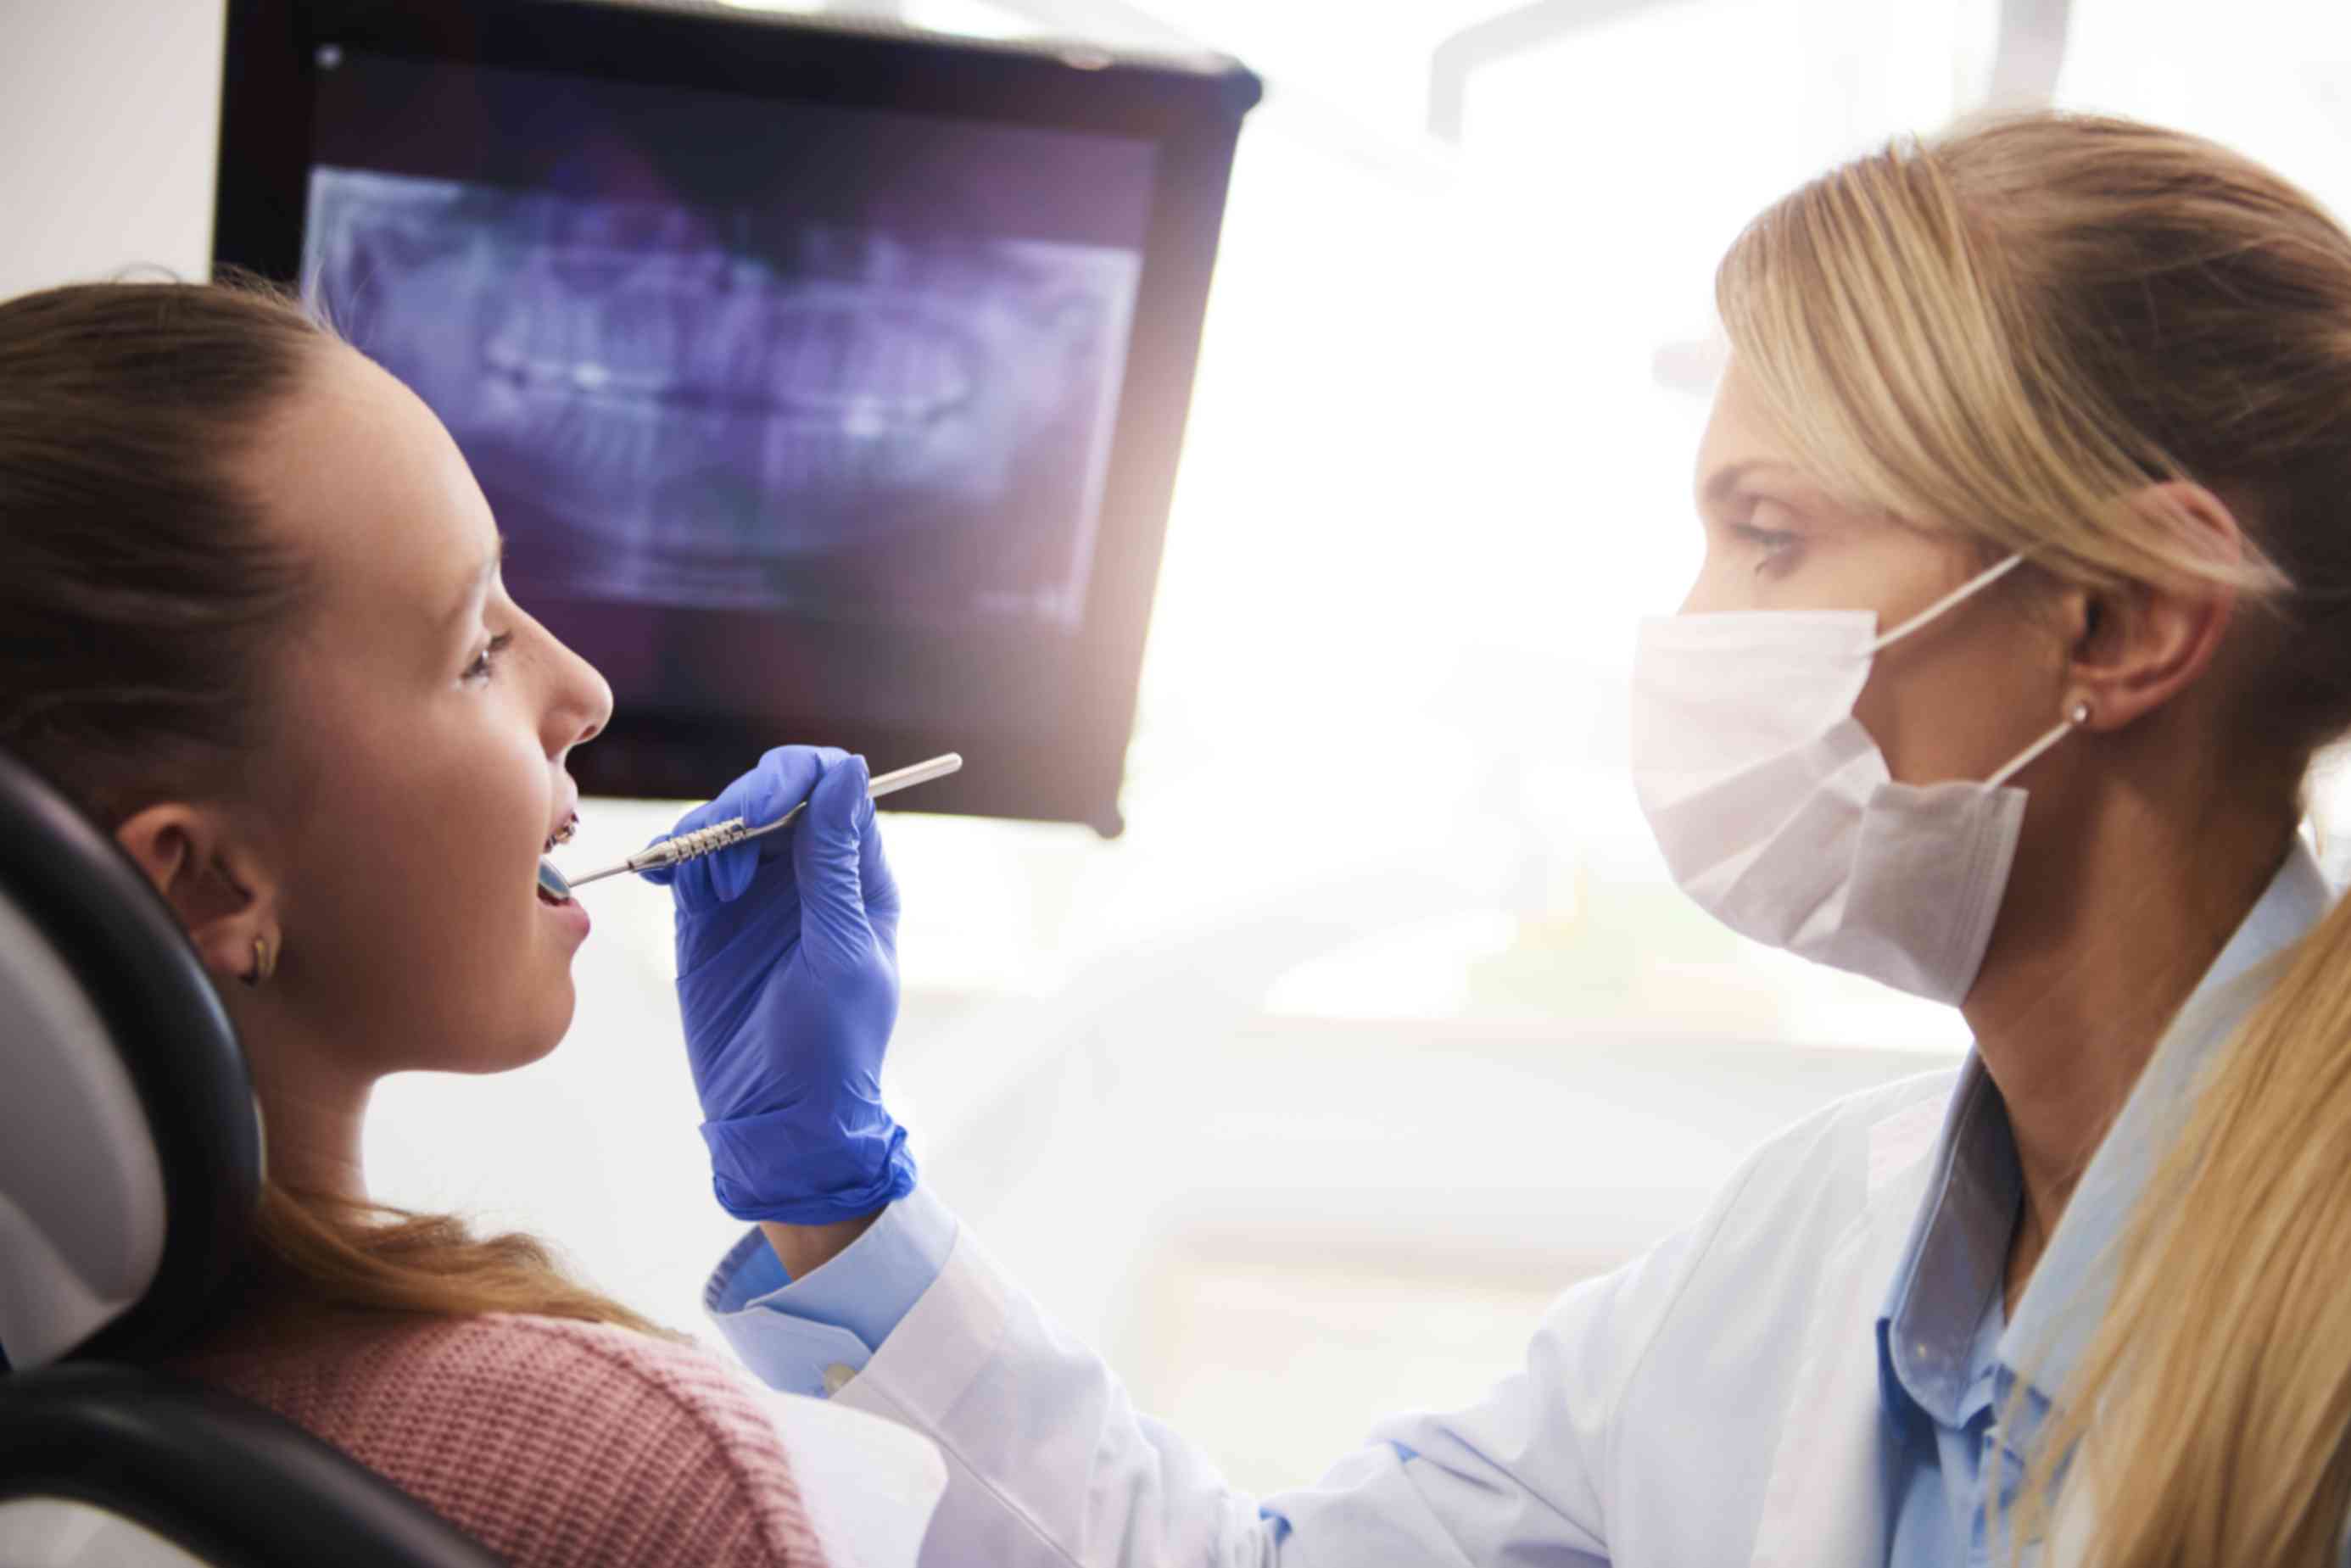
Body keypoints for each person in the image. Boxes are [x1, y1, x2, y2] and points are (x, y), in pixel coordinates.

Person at [683, 108, 2351, 1564]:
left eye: (1770, 536)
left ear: (2123, 618)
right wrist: (842, 1206)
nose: (1695, 634)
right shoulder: (1817, 1242)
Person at [0, 276, 944, 1567]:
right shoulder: (640, 1484)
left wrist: (831, 1207)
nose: (587, 689)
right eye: (477, 648)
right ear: (209, 882)